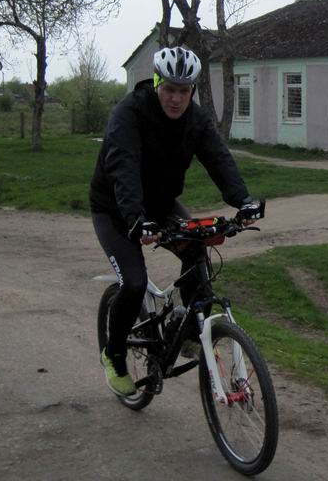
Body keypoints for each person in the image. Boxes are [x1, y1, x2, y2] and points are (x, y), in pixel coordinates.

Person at [89, 45, 262, 396]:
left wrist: (242, 201)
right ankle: (115, 353)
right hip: (115, 209)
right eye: (169, 89)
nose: (175, 99)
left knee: (197, 256)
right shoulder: (129, 114)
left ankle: (186, 333)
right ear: (157, 83)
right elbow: (122, 167)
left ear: (192, 91)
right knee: (135, 284)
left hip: (162, 205)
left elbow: (219, 158)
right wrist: (136, 219)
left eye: (183, 91)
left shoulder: (195, 121)